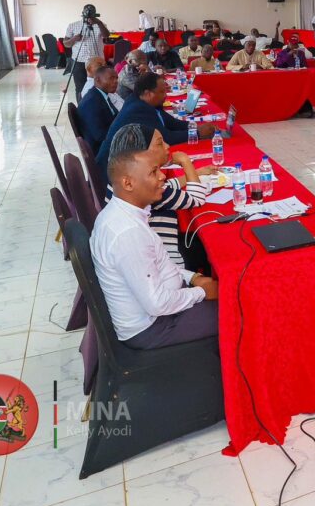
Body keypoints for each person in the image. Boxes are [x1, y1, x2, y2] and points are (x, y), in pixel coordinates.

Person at [90, 124, 218, 349]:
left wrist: (192, 278)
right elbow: (157, 304)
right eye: (153, 172)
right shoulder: (127, 233)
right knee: (239, 311)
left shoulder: (128, 213)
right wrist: (200, 292)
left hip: (162, 307)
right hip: (154, 328)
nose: (162, 177)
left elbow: (157, 265)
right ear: (128, 183)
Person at [97, 73, 215, 184]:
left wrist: (195, 127)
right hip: (113, 174)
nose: (165, 95)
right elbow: (166, 138)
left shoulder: (145, 102)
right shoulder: (138, 109)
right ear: (148, 94)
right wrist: (198, 133)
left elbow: (172, 123)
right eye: (162, 92)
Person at [62, 4, 110, 101]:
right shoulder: (73, 25)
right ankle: (81, 108)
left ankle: (98, 107)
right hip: (78, 61)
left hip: (96, 62)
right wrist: (74, 38)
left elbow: (106, 35)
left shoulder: (101, 25)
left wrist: (98, 23)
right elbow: (66, 44)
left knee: (100, 86)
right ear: (82, 14)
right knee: (80, 87)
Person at [77, 66, 121, 154]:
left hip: (108, 144)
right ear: (97, 80)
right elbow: (100, 136)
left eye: (116, 78)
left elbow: (115, 117)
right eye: (111, 78)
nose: (116, 81)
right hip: (102, 151)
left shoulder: (100, 95)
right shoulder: (91, 102)